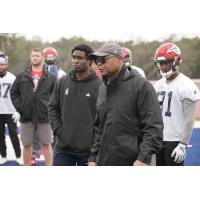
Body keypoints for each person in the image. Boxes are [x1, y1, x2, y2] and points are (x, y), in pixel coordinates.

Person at [88, 42, 163, 166]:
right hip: (104, 162)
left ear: (120, 59)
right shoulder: (102, 88)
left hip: (132, 162)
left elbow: (154, 127)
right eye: (96, 60)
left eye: (103, 59)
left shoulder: (141, 86)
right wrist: (93, 158)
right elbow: (98, 128)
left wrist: (142, 159)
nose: (99, 64)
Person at [48, 44, 102, 166]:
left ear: (89, 61)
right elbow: (52, 108)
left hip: (89, 152)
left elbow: (103, 117)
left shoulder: (100, 85)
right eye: (74, 57)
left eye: (79, 58)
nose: (75, 61)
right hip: (63, 149)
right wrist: (58, 130)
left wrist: (95, 144)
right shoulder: (62, 82)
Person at [154, 42, 200, 166]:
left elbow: (189, 119)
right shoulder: (158, 85)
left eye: (166, 62)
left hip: (174, 141)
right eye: (161, 63)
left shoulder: (186, 85)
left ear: (176, 61)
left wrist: (183, 144)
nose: (163, 67)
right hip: (158, 140)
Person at [10, 48, 56, 166]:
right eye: (32, 56)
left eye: (37, 56)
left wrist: (49, 109)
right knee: (26, 145)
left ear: (42, 58)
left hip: (44, 116)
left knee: (46, 144)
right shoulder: (22, 76)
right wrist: (20, 108)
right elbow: (14, 93)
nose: (34, 58)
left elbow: (56, 96)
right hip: (26, 116)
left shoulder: (51, 77)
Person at [0, 52, 22, 165]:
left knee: (14, 135)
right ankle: (3, 155)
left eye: (3, 64)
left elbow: (19, 95)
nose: (1, 66)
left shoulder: (12, 78)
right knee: (0, 136)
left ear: (6, 65)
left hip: (10, 111)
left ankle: (18, 155)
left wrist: (18, 110)